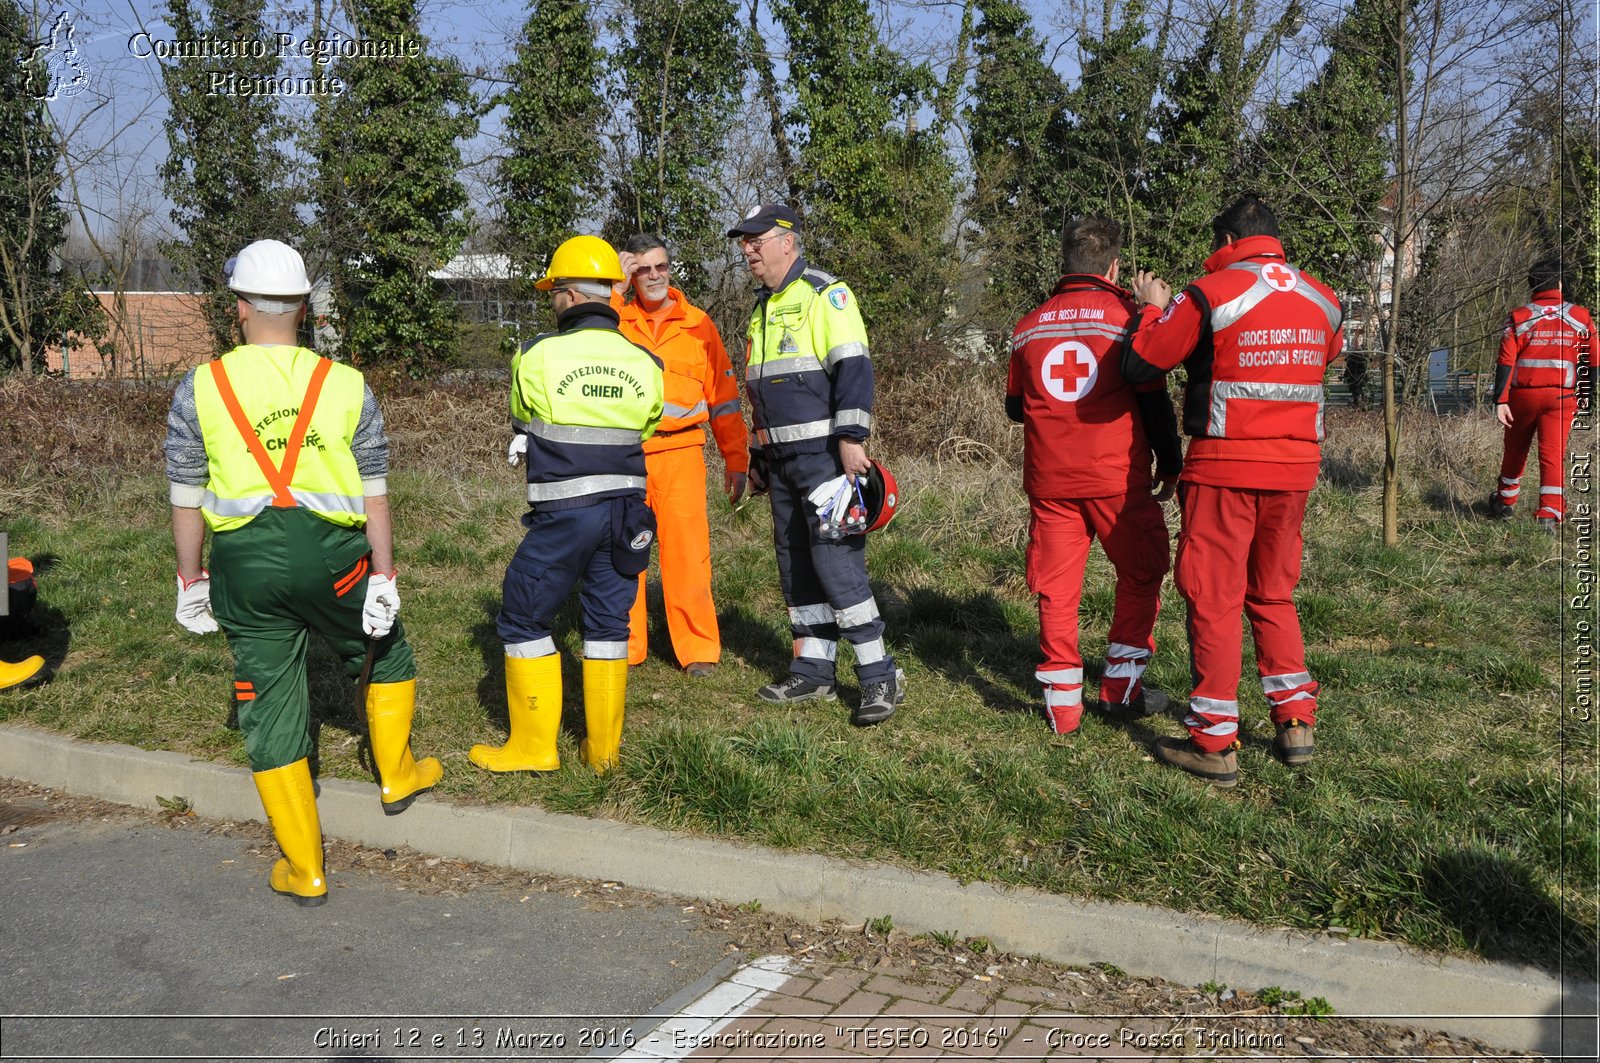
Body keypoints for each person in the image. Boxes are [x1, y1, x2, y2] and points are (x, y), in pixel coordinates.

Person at [164, 239, 440, 906]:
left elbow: (185, 497)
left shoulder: (200, 388)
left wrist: (190, 581)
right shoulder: (345, 384)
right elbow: (374, 491)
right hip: (335, 557)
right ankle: (397, 774)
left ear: (239, 310)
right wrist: (384, 574)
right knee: (384, 649)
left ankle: (305, 866)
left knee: (269, 702)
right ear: (304, 310)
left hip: (245, 568)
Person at [1122, 196, 1344, 787]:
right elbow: (1321, 362)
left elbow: (1144, 362)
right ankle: (1295, 723)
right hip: (1296, 470)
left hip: (1224, 466)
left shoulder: (1210, 292)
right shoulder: (1325, 299)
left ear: (1226, 241)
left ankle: (1215, 744)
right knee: (1274, 592)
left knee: (1214, 596)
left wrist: (1153, 309)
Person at [473, 235, 664, 775]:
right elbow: (646, 424)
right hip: (627, 513)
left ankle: (534, 748)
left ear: (574, 295)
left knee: (523, 616)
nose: (551, 300)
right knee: (608, 625)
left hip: (563, 514)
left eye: (554, 291)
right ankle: (602, 754)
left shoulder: (537, 354)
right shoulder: (645, 361)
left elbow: (521, 412)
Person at [727, 204, 903, 725]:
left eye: (756, 239)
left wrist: (852, 438)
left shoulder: (827, 293)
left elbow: (854, 366)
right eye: (743, 242)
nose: (748, 249)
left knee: (836, 565)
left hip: (826, 461)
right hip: (780, 463)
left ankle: (878, 676)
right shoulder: (762, 306)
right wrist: (758, 456)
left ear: (788, 240)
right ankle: (813, 672)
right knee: (795, 567)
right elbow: (763, 392)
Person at [1006, 216, 1182, 735]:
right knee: (1143, 573)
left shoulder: (1028, 326)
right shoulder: (1131, 321)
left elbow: (1017, 408)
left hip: (1050, 482)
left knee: (1057, 592)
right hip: (1117, 480)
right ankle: (1120, 690)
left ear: (1064, 263)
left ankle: (1063, 711)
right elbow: (1157, 407)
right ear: (1113, 266)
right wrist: (1170, 465)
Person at [611, 234, 749, 677]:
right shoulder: (615, 320)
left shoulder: (698, 324)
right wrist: (613, 288)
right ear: (631, 275)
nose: (653, 275)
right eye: (642, 269)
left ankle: (698, 650)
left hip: (683, 452)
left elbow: (724, 400)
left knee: (688, 554)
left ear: (670, 269)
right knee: (622, 552)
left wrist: (736, 458)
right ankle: (624, 646)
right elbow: (585, 342)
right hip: (626, 454)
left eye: (660, 267)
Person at [1488, 255, 1594, 531]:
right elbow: (1594, 359)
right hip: (1562, 398)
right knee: (1553, 454)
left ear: (1533, 284)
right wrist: (1588, 395)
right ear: (1560, 284)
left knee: (1515, 450)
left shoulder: (1519, 317)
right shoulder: (1580, 317)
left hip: (1522, 397)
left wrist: (1500, 399)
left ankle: (1505, 502)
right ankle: (1549, 512)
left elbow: (1505, 360)